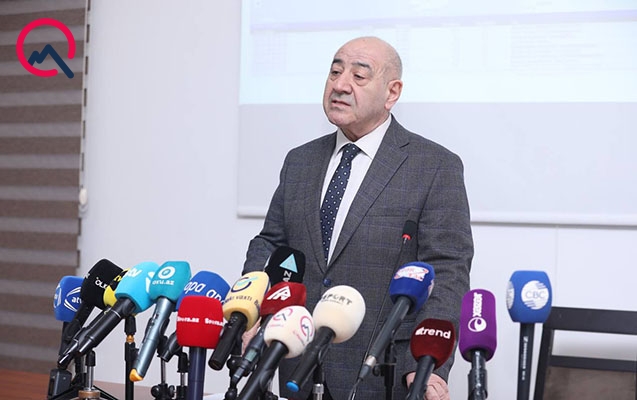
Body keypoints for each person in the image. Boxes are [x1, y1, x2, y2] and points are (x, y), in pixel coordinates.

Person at [242, 36, 473, 400]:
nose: (340, 85)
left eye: (359, 76)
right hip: (297, 364)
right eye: (335, 72)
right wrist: (251, 311)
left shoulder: (433, 166)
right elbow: (272, 244)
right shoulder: (300, 161)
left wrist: (427, 363)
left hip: (382, 371)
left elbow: (446, 270)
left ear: (392, 92)